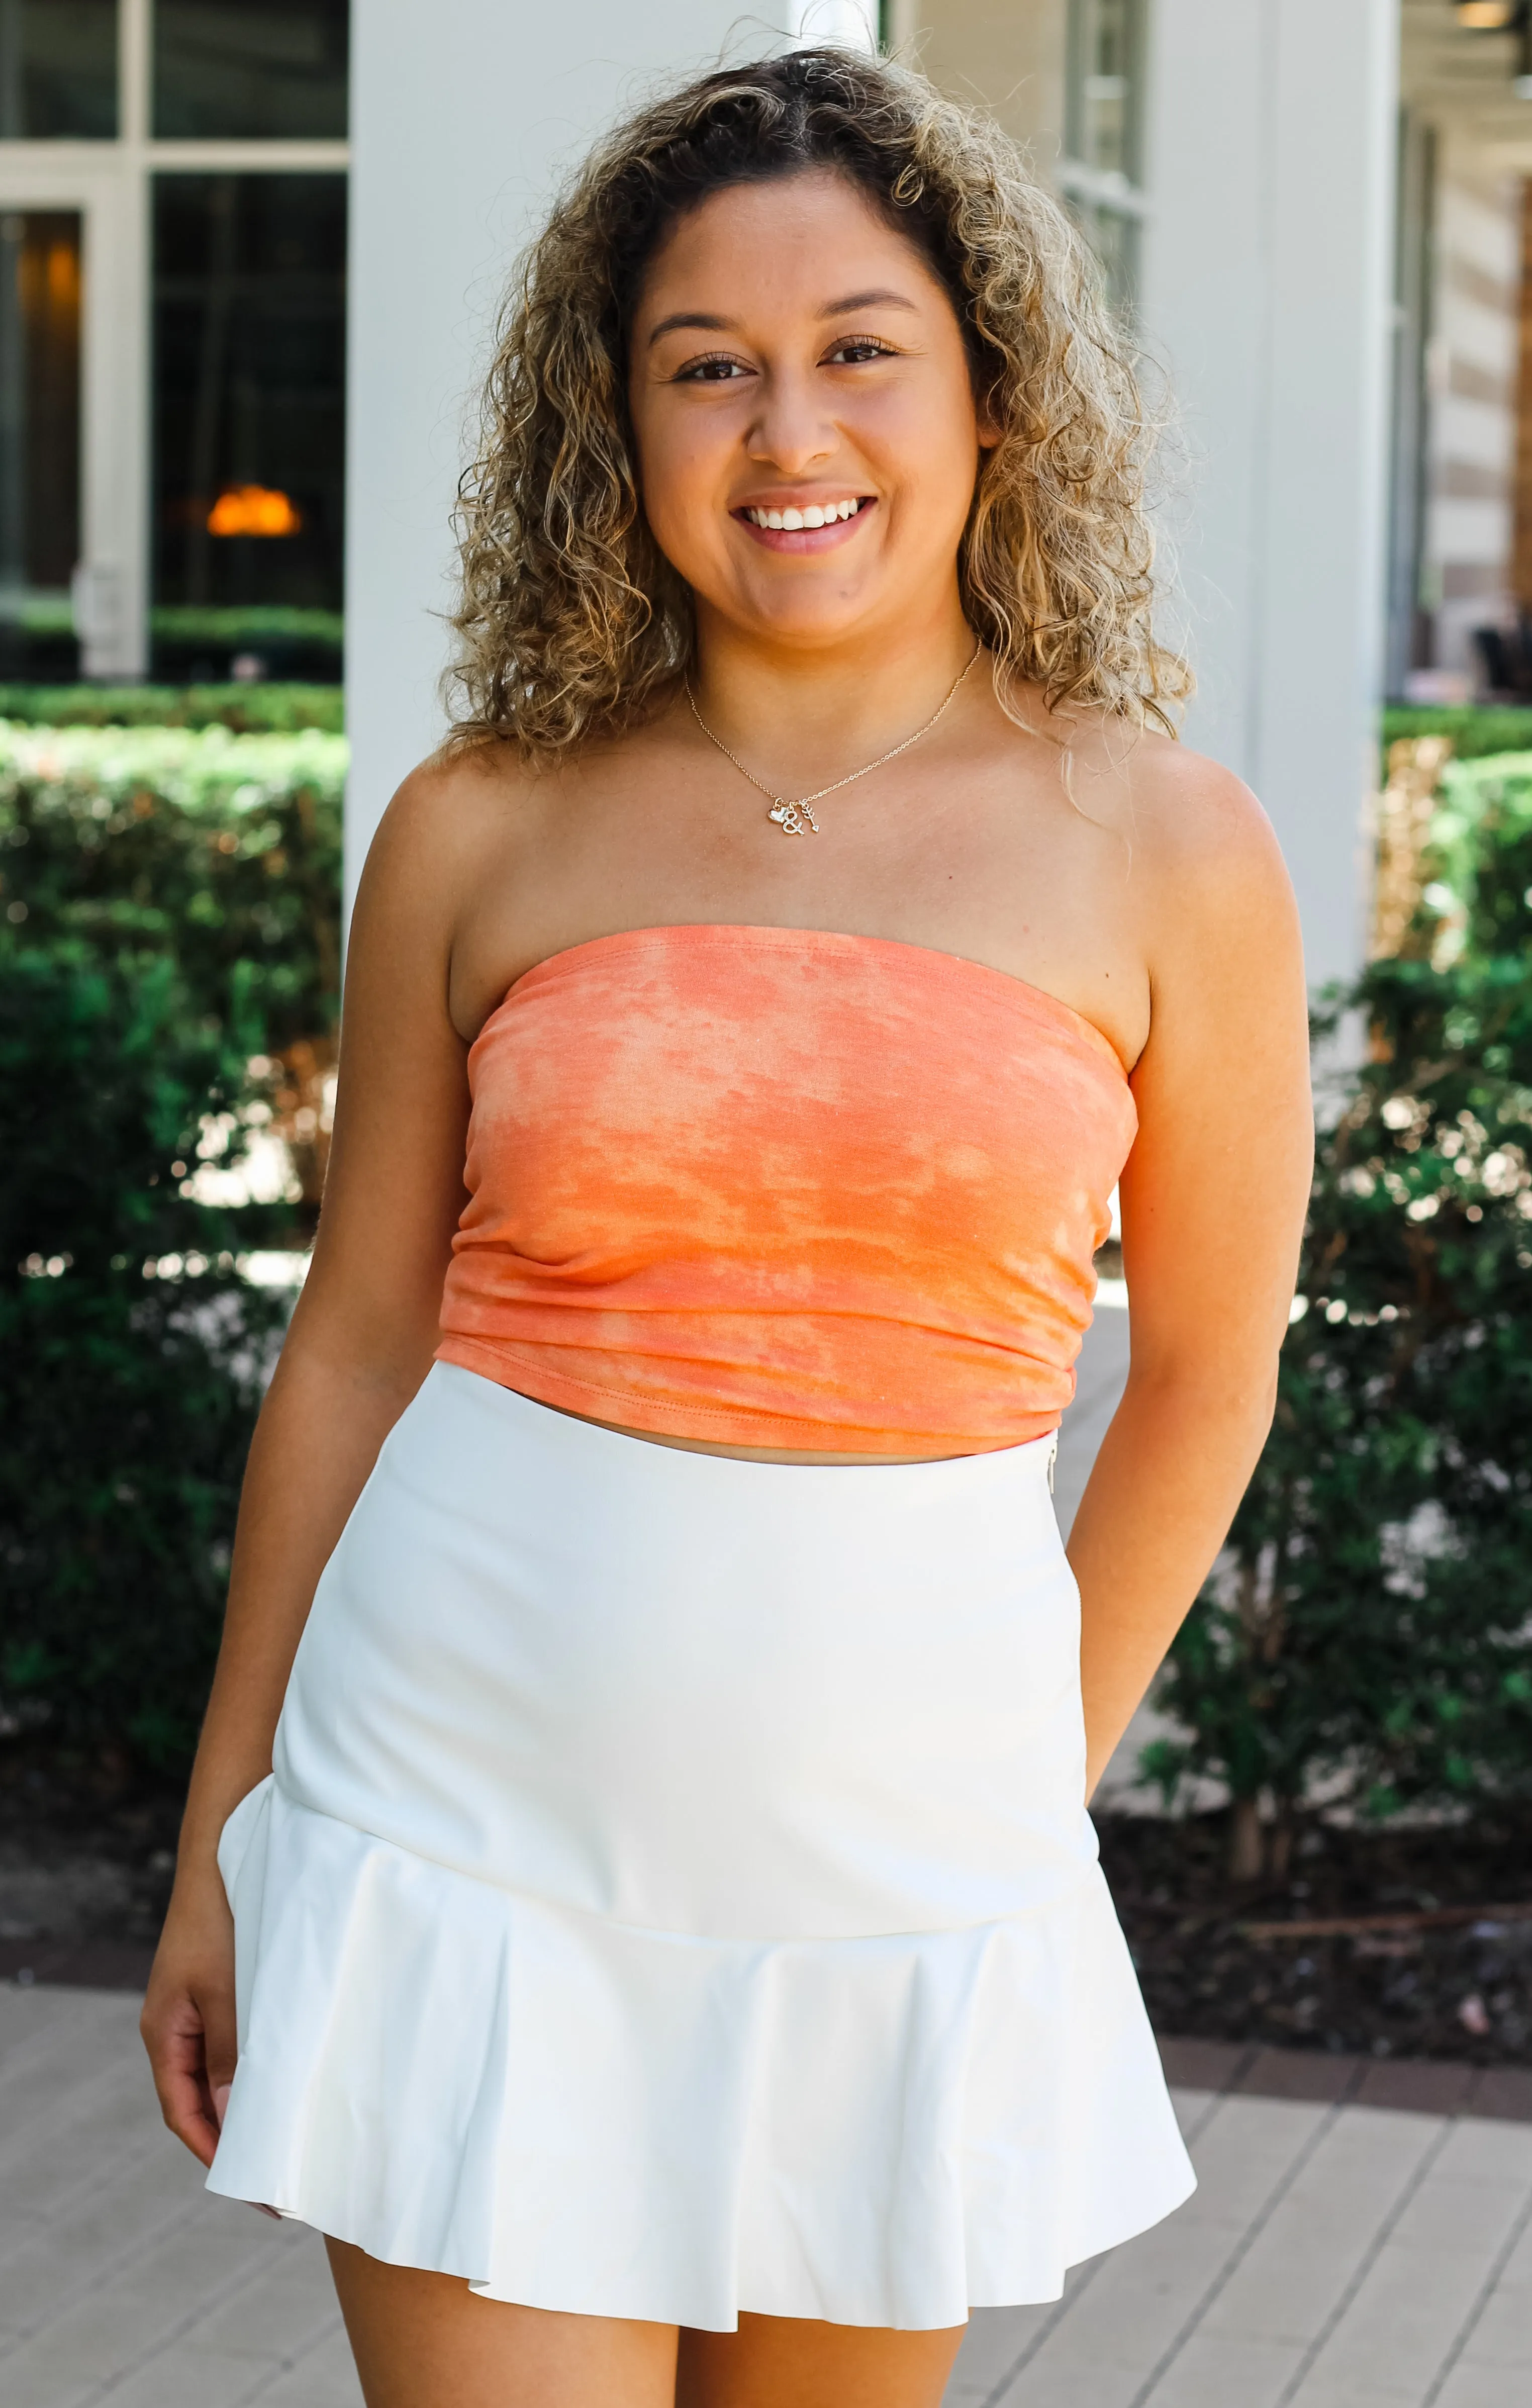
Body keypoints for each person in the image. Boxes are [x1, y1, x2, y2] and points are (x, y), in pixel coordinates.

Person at [141, 47, 1313, 2408]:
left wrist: (1015, 1791)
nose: (792, 435)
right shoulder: (485, 824)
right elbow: (357, 1339)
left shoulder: (1164, 844)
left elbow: (1205, 1373)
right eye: (711, 370)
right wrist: (223, 1835)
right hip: (454, 1820)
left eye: (861, 349)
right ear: (622, 426)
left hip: (897, 1875)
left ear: (990, 390)